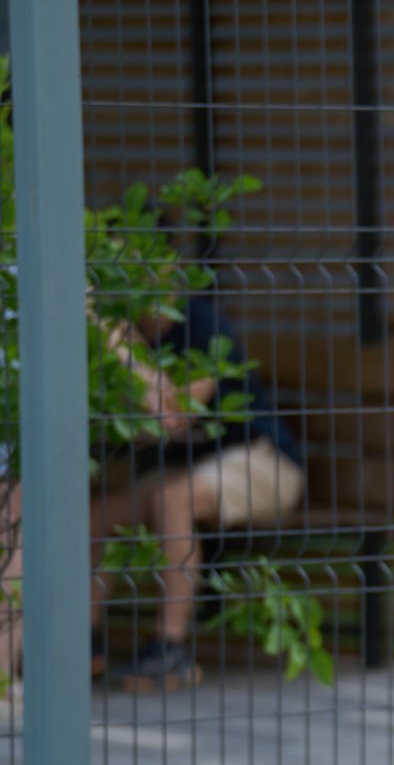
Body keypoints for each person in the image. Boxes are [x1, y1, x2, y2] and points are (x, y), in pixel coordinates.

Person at [92, 292, 306, 692]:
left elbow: (173, 416)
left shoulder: (199, 324)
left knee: (173, 499)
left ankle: (169, 649)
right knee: (97, 513)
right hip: (188, 466)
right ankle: (84, 645)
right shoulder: (125, 329)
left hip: (262, 460)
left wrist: (124, 353)